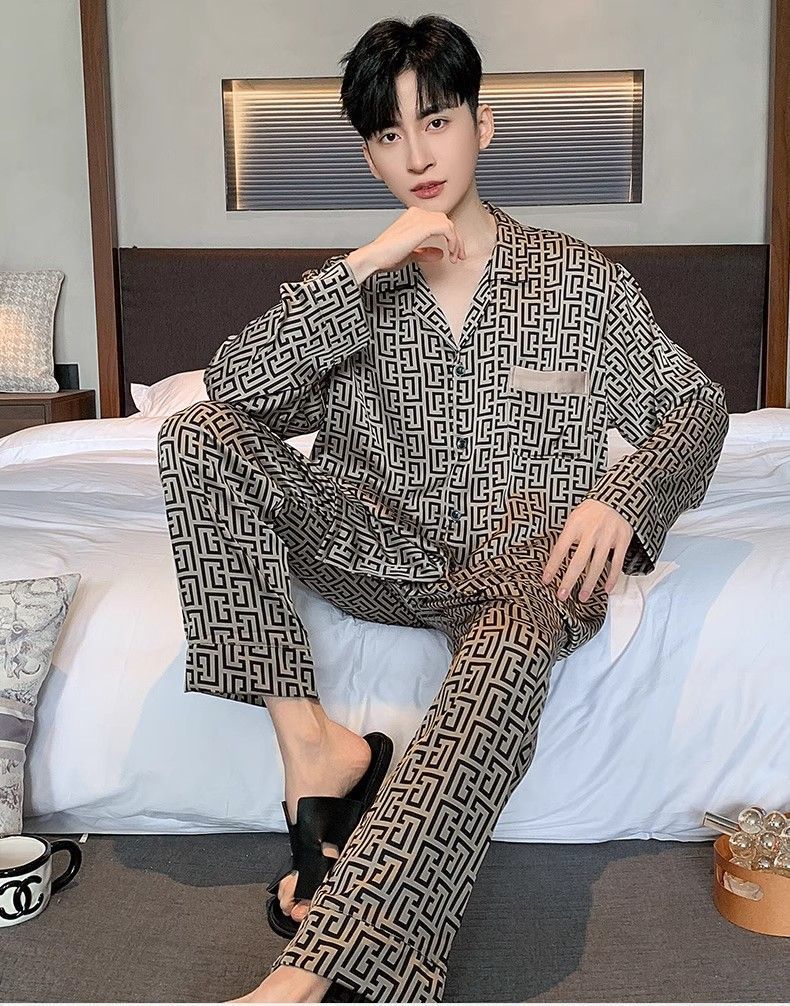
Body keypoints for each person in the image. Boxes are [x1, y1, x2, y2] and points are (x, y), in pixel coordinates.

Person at [156, 13, 730, 1004]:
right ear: (369, 156)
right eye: (388, 134)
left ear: (482, 125)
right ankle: (312, 748)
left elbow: (695, 405)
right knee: (193, 435)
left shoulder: (580, 283)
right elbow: (233, 392)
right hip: (367, 548)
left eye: (437, 121)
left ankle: (314, 972)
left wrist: (622, 494)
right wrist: (360, 266)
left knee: (510, 646)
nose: (417, 155)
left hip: (523, 566)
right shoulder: (356, 288)